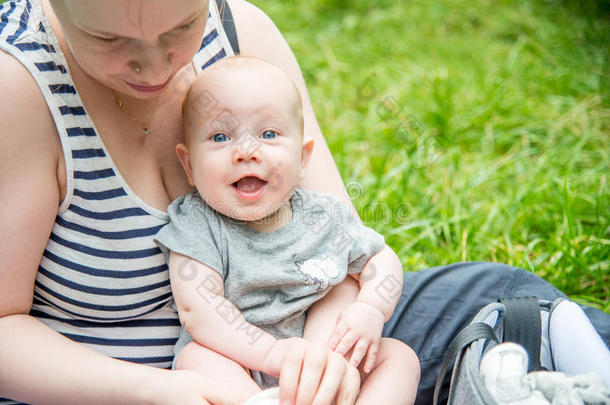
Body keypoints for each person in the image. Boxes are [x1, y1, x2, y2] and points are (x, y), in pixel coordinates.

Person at [0, 0, 607, 404]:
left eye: (180, 27)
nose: (155, 64)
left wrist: (322, 355)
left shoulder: (242, 31)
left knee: (499, 295)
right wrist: (164, 393)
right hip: (128, 387)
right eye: (109, 38)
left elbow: (333, 246)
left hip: (298, 329)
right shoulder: (20, 90)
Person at [154, 55, 420, 404]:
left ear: (302, 159)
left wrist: (371, 307)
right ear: (189, 164)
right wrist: (273, 356)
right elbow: (198, 309)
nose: (246, 151)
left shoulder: (323, 215)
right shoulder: (197, 224)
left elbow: (380, 260)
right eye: (220, 136)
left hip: (324, 364)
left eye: (268, 134)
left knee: (399, 357)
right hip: (240, 363)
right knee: (196, 359)